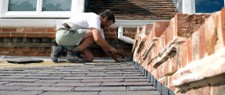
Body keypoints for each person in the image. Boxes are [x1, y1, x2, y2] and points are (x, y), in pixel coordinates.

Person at [51, 9, 120, 63]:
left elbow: (103, 45)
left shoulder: (98, 28)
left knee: (90, 58)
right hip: (64, 34)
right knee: (95, 34)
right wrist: (110, 47)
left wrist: (115, 57)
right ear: (105, 19)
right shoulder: (94, 17)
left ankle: (65, 50)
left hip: (69, 39)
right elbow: (97, 39)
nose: (108, 26)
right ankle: (71, 52)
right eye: (109, 23)